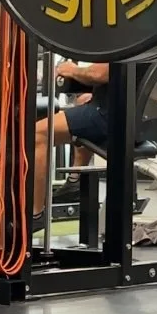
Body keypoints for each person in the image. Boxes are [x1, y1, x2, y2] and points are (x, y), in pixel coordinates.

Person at [33, 61, 110, 216]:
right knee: (83, 102)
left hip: (108, 116)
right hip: (134, 116)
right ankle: (75, 181)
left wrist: (71, 70)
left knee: (38, 134)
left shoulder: (126, 37)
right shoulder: (154, 40)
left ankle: (35, 214)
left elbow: (100, 74)